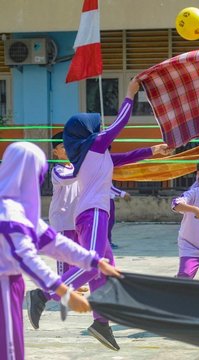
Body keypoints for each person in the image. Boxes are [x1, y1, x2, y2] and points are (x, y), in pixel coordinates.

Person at [27, 77, 172, 351]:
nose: (103, 129)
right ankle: (43, 294)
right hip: (92, 214)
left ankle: (101, 322)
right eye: (98, 127)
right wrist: (130, 94)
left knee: (103, 270)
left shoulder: (97, 155)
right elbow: (120, 125)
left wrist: (154, 150)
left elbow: (126, 157)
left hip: (94, 215)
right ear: (89, 133)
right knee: (93, 265)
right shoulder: (93, 148)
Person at [0, 142, 120, 360]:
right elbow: (26, 258)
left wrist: (93, 261)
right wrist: (63, 293)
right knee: (8, 349)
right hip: (3, 287)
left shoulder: (20, 211)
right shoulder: (8, 213)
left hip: (11, 284)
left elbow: (53, 243)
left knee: (13, 348)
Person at [49, 132, 79, 276]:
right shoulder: (57, 170)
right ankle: (62, 286)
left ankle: (73, 282)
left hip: (75, 219)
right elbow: (67, 179)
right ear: (55, 152)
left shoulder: (75, 168)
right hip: (61, 219)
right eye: (63, 146)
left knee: (74, 253)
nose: (67, 149)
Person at [108, 185, 131, 249]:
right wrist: (122, 194)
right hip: (106, 200)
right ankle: (107, 243)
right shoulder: (104, 174)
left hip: (107, 199)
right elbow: (108, 186)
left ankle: (107, 242)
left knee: (109, 222)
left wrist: (114, 196)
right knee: (109, 222)